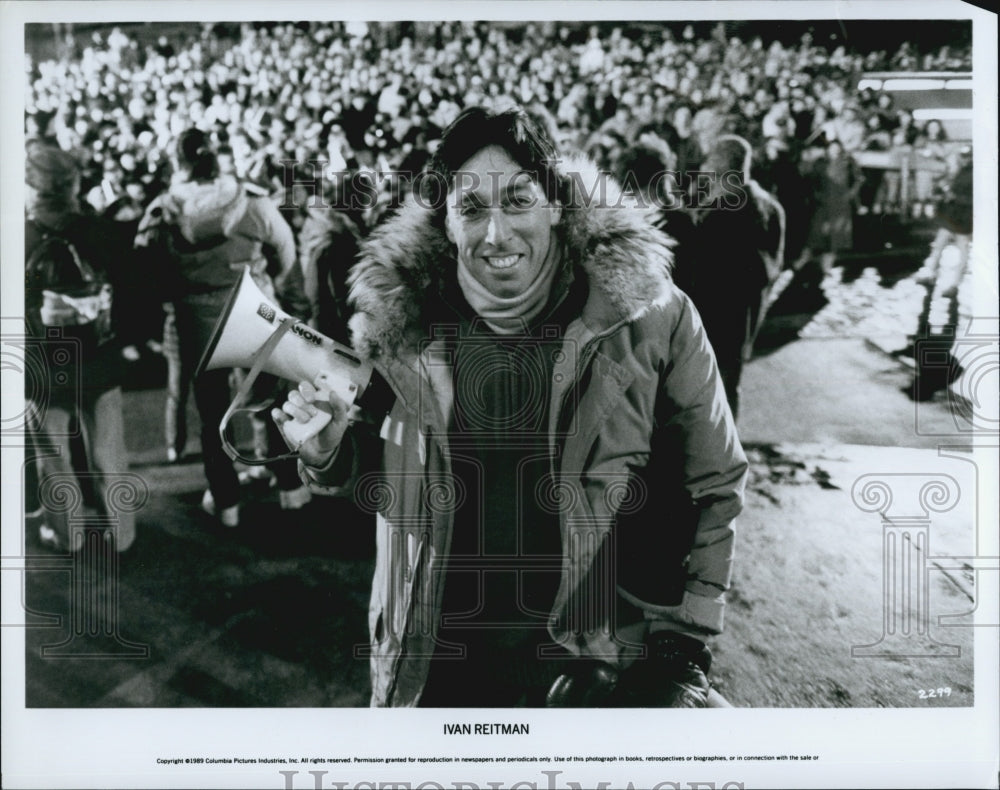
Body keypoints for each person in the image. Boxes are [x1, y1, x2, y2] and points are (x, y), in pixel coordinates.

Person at [274, 106, 748, 707]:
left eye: (518, 200)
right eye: (471, 208)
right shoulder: (402, 327)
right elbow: (392, 480)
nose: (496, 234)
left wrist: (681, 650)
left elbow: (712, 484)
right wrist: (330, 456)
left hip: (588, 674)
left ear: (555, 203)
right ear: (446, 223)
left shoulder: (653, 317)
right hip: (432, 668)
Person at [134, 129, 309, 526]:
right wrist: (266, 283)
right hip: (254, 308)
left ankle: (226, 500)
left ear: (178, 163)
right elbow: (285, 251)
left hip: (196, 318)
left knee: (213, 413)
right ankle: (290, 488)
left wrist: (175, 293)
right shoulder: (251, 201)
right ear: (216, 158)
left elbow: (144, 266)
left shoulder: (162, 210)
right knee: (272, 399)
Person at [23, 141, 137, 552]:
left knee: (54, 457)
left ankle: (66, 535)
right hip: (99, 354)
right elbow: (128, 287)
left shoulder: (17, 233)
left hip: (41, 360)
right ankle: (121, 535)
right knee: (109, 450)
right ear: (73, 185)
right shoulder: (99, 230)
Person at [675, 135, 785, 419]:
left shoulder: (722, 213)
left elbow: (697, 271)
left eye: (709, 160)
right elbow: (775, 265)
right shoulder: (771, 208)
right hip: (748, 312)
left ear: (719, 167)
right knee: (729, 385)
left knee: (708, 391)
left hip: (715, 315)